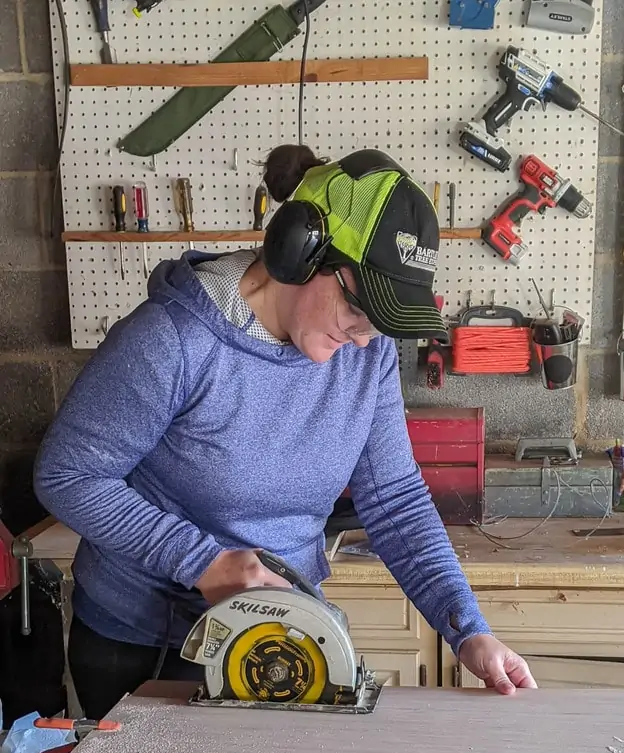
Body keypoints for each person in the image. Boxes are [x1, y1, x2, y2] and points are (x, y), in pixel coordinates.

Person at [34, 145, 536, 718]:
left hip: (283, 636)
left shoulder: (367, 355)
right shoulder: (174, 341)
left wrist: (467, 629)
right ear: (301, 252)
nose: (366, 338)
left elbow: (395, 500)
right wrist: (203, 562)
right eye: (361, 311)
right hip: (144, 647)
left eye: (384, 323)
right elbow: (67, 475)